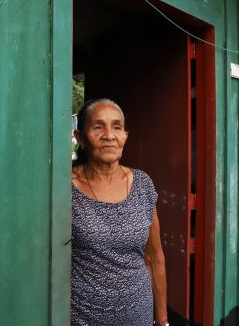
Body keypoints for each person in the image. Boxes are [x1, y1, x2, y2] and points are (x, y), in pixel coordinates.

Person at [71, 98, 168, 326]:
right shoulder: (65, 186)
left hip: (138, 315)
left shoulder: (143, 184)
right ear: (80, 137)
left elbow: (154, 257)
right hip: (83, 317)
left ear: (125, 135)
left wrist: (163, 321)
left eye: (117, 127)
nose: (109, 135)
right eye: (98, 127)